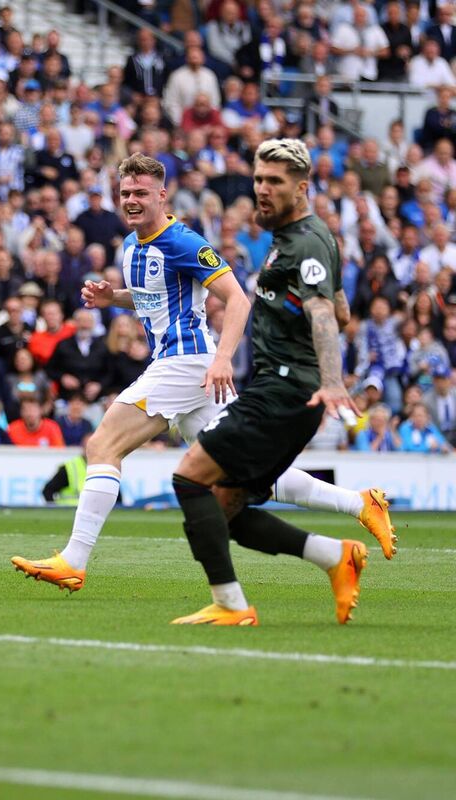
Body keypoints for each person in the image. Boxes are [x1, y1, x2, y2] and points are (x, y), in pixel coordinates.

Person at [12, 152, 397, 597]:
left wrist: (223, 359)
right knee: (241, 472)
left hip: (188, 363)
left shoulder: (183, 241)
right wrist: (111, 298)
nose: (132, 200)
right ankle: (360, 503)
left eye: (141, 193)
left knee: (102, 444)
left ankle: (73, 560)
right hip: (185, 371)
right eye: (125, 193)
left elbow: (237, 299)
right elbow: (152, 298)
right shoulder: (130, 246)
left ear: (162, 195)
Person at [168, 140, 390, 627]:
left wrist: (332, 380)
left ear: (302, 187)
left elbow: (324, 315)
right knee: (225, 507)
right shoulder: (303, 237)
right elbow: (341, 308)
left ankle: (231, 605)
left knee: (189, 476)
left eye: (275, 182)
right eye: (258, 180)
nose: (262, 191)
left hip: (286, 391)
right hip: (284, 390)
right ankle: (336, 557)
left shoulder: (306, 241)